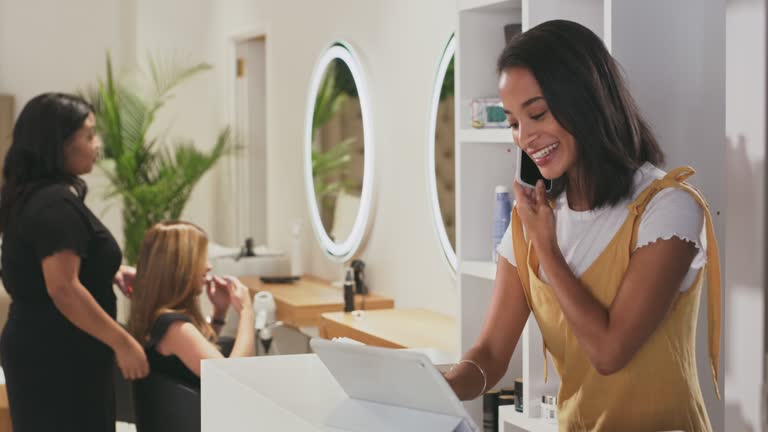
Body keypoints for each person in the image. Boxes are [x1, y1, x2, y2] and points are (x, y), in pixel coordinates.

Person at [443, 20, 721, 432]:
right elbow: (490, 355)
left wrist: (549, 250)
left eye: (537, 113)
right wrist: (442, 385)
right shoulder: (530, 221)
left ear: (585, 100)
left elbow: (609, 352)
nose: (525, 137)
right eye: (515, 122)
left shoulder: (667, 207)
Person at [0, 93, 149, 432]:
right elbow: (63, 289)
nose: (97, 145)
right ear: (60, 144)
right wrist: (123, 342)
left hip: (46, 349)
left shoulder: (37, 196)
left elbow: (53, 270)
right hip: (59, 357)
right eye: (89, 135)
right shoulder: (54, 205)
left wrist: (107, 274)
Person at [128, 221, 255, 388]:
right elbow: (230, 381)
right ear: (180, 267)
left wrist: (219, 312)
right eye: (201, 259)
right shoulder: (175, 329)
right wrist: (247, 311)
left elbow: (195, 356)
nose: (208, 266)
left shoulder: (159, 320)